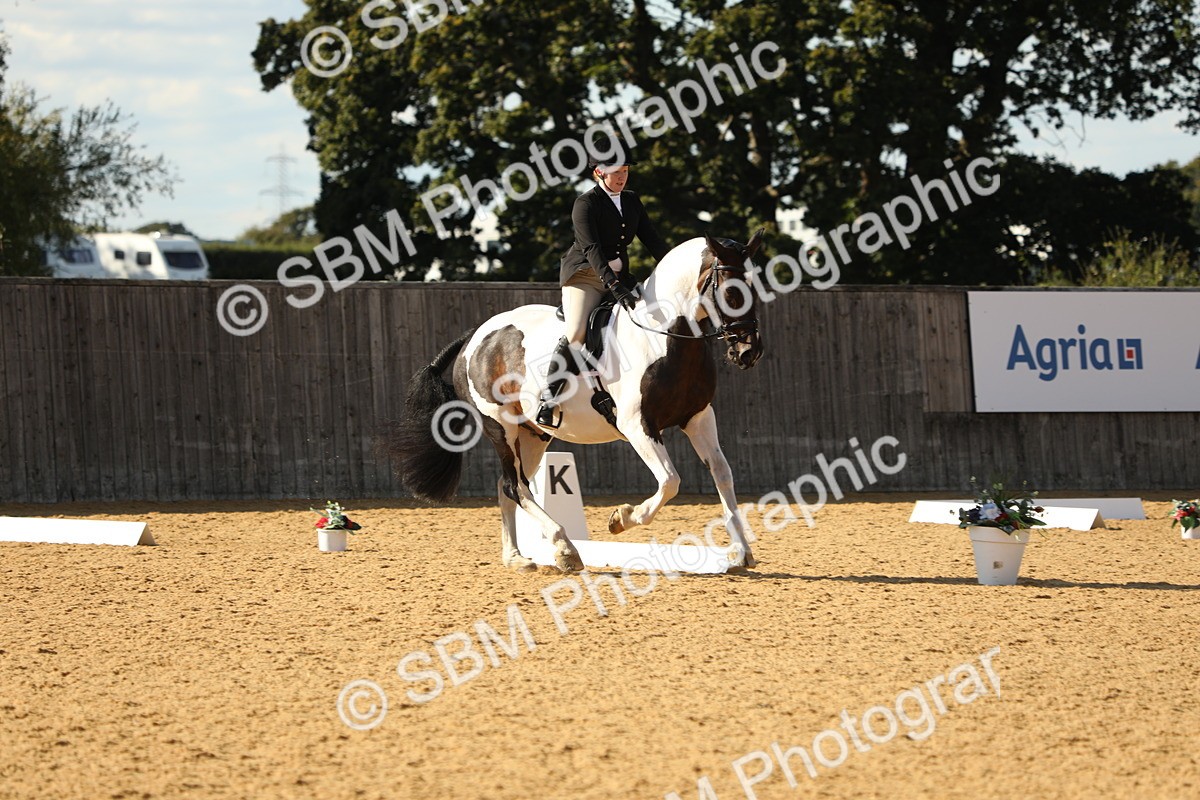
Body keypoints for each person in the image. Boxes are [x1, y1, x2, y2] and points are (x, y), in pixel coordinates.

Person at [535, 159, 672, 428]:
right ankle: (548, 398)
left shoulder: (631, 200)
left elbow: (652, 238)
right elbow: (592, 250)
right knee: (576, 333)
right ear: (599, 172)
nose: (622, 178)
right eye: (616, 172)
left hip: (621, 278)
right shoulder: (585, 204)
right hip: (586, 276)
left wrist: (672, 263)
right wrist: (614, 286)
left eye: (625, 171)